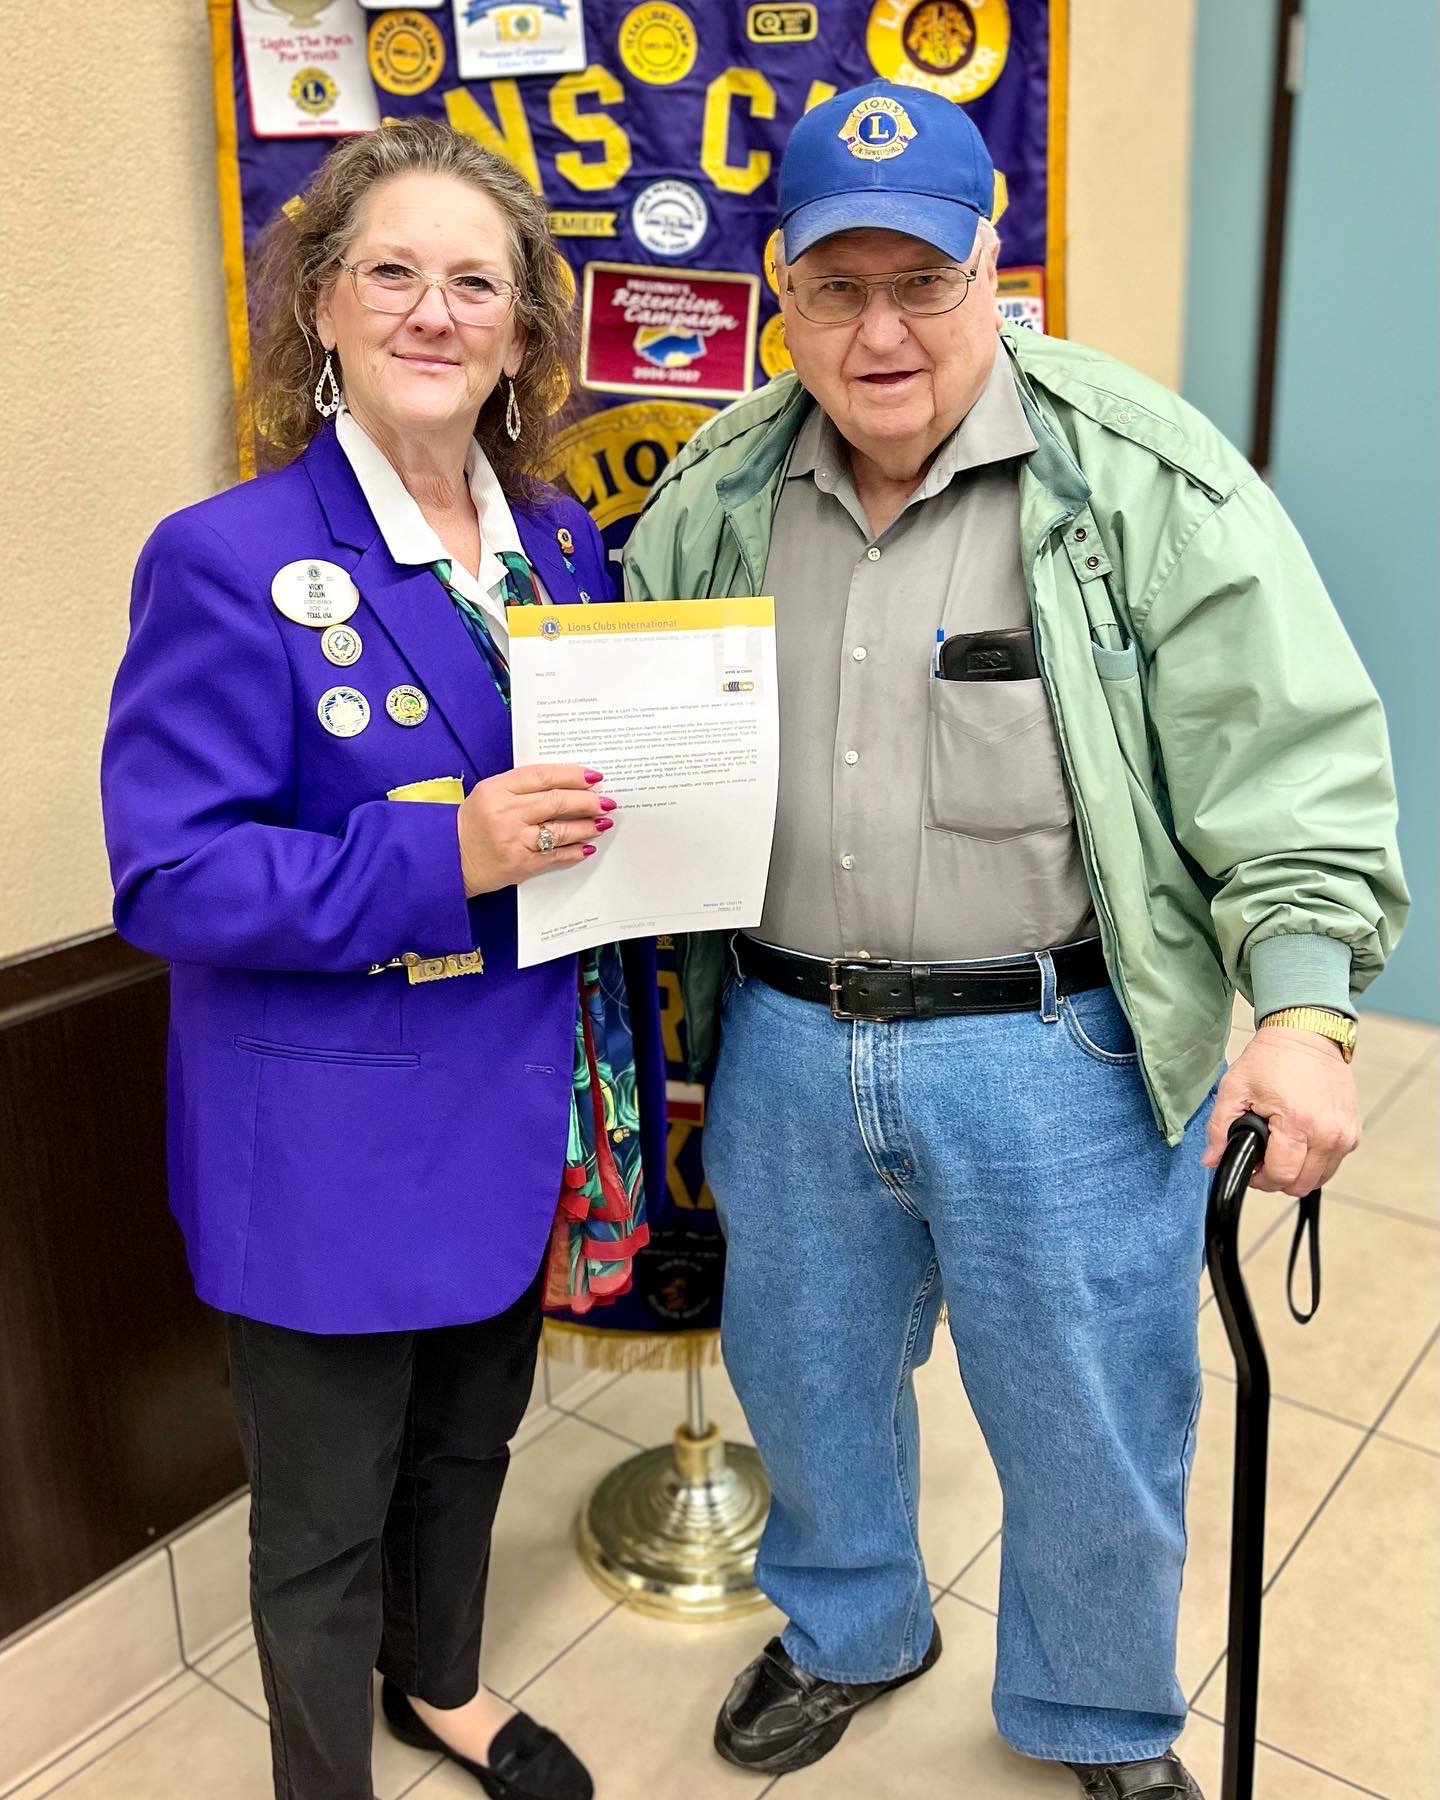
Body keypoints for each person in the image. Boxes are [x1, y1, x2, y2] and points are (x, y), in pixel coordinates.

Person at [623, 80, 1408, 1800]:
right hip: (783, 1040)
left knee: (1090, 1421)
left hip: (1052, 1047)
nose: (881, 329)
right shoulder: (717, 491)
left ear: (1000, 267)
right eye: (838, 284)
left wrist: (1303, 1013)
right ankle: (847, 1630)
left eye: (925, 280)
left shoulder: (1138, 478)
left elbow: (1289, 765)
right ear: (779, 291)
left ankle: (1100, 1716)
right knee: (810, 1382)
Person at [102, 119, 665, 1800]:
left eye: (475, 282)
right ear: (324, 310)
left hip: (519, 1103)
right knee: (325, 1517)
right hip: (331, 1137)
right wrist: (449, 849)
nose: (436, 310)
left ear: (521, 332)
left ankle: (447, 1688)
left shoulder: (561, 547)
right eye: (393, 273)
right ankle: (319, 1776)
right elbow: (174, 877)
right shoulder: (229, 558)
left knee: (473, 1446)